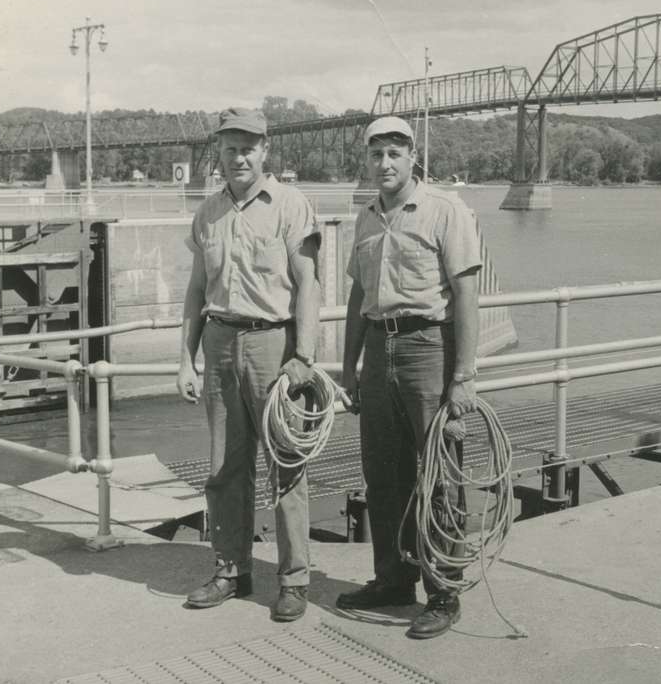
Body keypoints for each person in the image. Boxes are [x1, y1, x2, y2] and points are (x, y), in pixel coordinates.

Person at [335, 116, 481, 640]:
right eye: (377, 154)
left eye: (395, 153)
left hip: (428, 348)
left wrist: (463, 375)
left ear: (412, 156)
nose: (385, 164)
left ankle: (444, 592)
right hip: (379, 347)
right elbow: (357, 298)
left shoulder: (446, 211)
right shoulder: (366, 217)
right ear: (367, 159)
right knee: (384, 471)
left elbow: (465, 295)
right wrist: (348, 367)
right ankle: (394, 580)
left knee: (440, 474)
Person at [177, 107, 321, 622]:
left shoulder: (290, 205)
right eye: (230, 147)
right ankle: (231, 569)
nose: (239, 157)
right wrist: (185, 360)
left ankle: (293, 580)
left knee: (286, 467)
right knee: (224, 469)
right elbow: (196, 290)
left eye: (249, 147)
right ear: (218, 153)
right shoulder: (208, 212)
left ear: (266, 151)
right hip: (219, 343)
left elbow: (308, 285)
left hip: (272, 345)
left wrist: (303, 356)